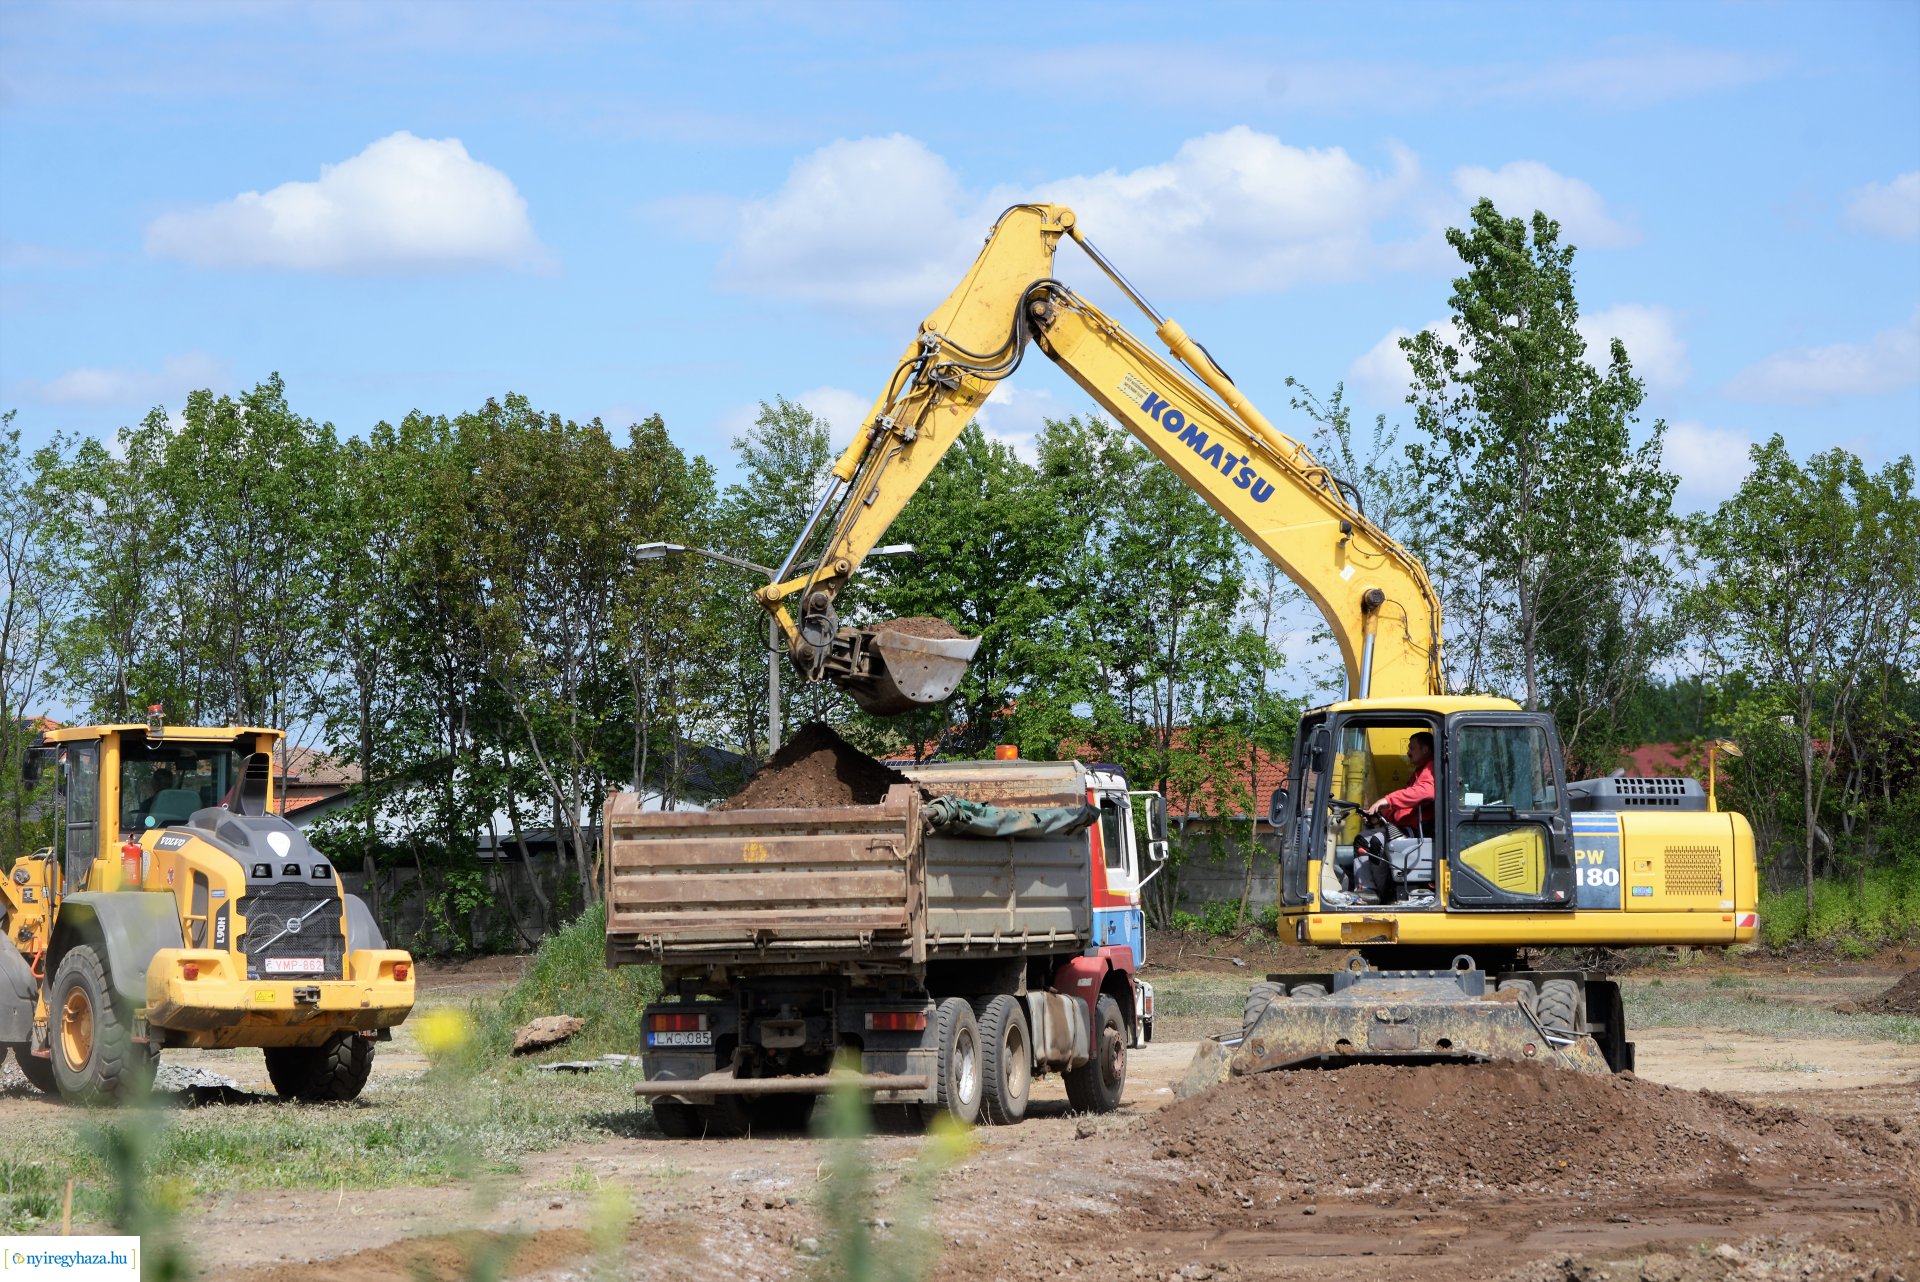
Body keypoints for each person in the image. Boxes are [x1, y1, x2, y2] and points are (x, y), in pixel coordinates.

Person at [1353, 732, 1435, 904]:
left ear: (1426, 749)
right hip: (1407, 827)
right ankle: (1366, 888)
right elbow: (1404, 807)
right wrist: (1379, 816)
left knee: (1376, 842)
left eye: (1412, 748)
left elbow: (1426, 793)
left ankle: (1382, 897)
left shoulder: (1431, 768)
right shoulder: (1419, 772)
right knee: (1362, 839)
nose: (1408, 752)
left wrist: (1388, 800)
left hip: (1419, 831)